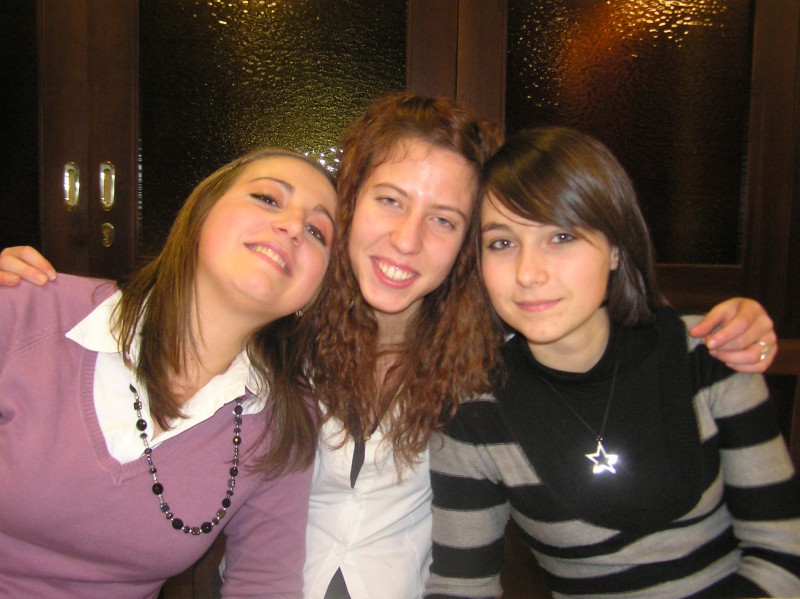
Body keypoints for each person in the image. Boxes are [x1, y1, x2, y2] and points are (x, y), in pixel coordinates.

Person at [0, 95, 780, 599]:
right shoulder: (277, 324)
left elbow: (590, 319)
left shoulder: (493, 354)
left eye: (444, 220)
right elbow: (173, 316)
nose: (408, 240)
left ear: (468, 243)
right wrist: (23, 291)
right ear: (349, 203)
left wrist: (729, 321)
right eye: (390, 200)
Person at [425, 127, 800, 598]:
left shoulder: (708, 351)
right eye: (502, 243)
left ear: (616, 249)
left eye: (561, 236)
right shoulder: (473, 413)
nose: (528, 273)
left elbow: (782, 553)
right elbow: (461, 586)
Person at [0, 147, 338, 598]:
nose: (293, 226)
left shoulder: (284, 421)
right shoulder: (27, 307)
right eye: (267, 199)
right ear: (200, 213)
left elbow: (263, 582)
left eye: (317, 232)